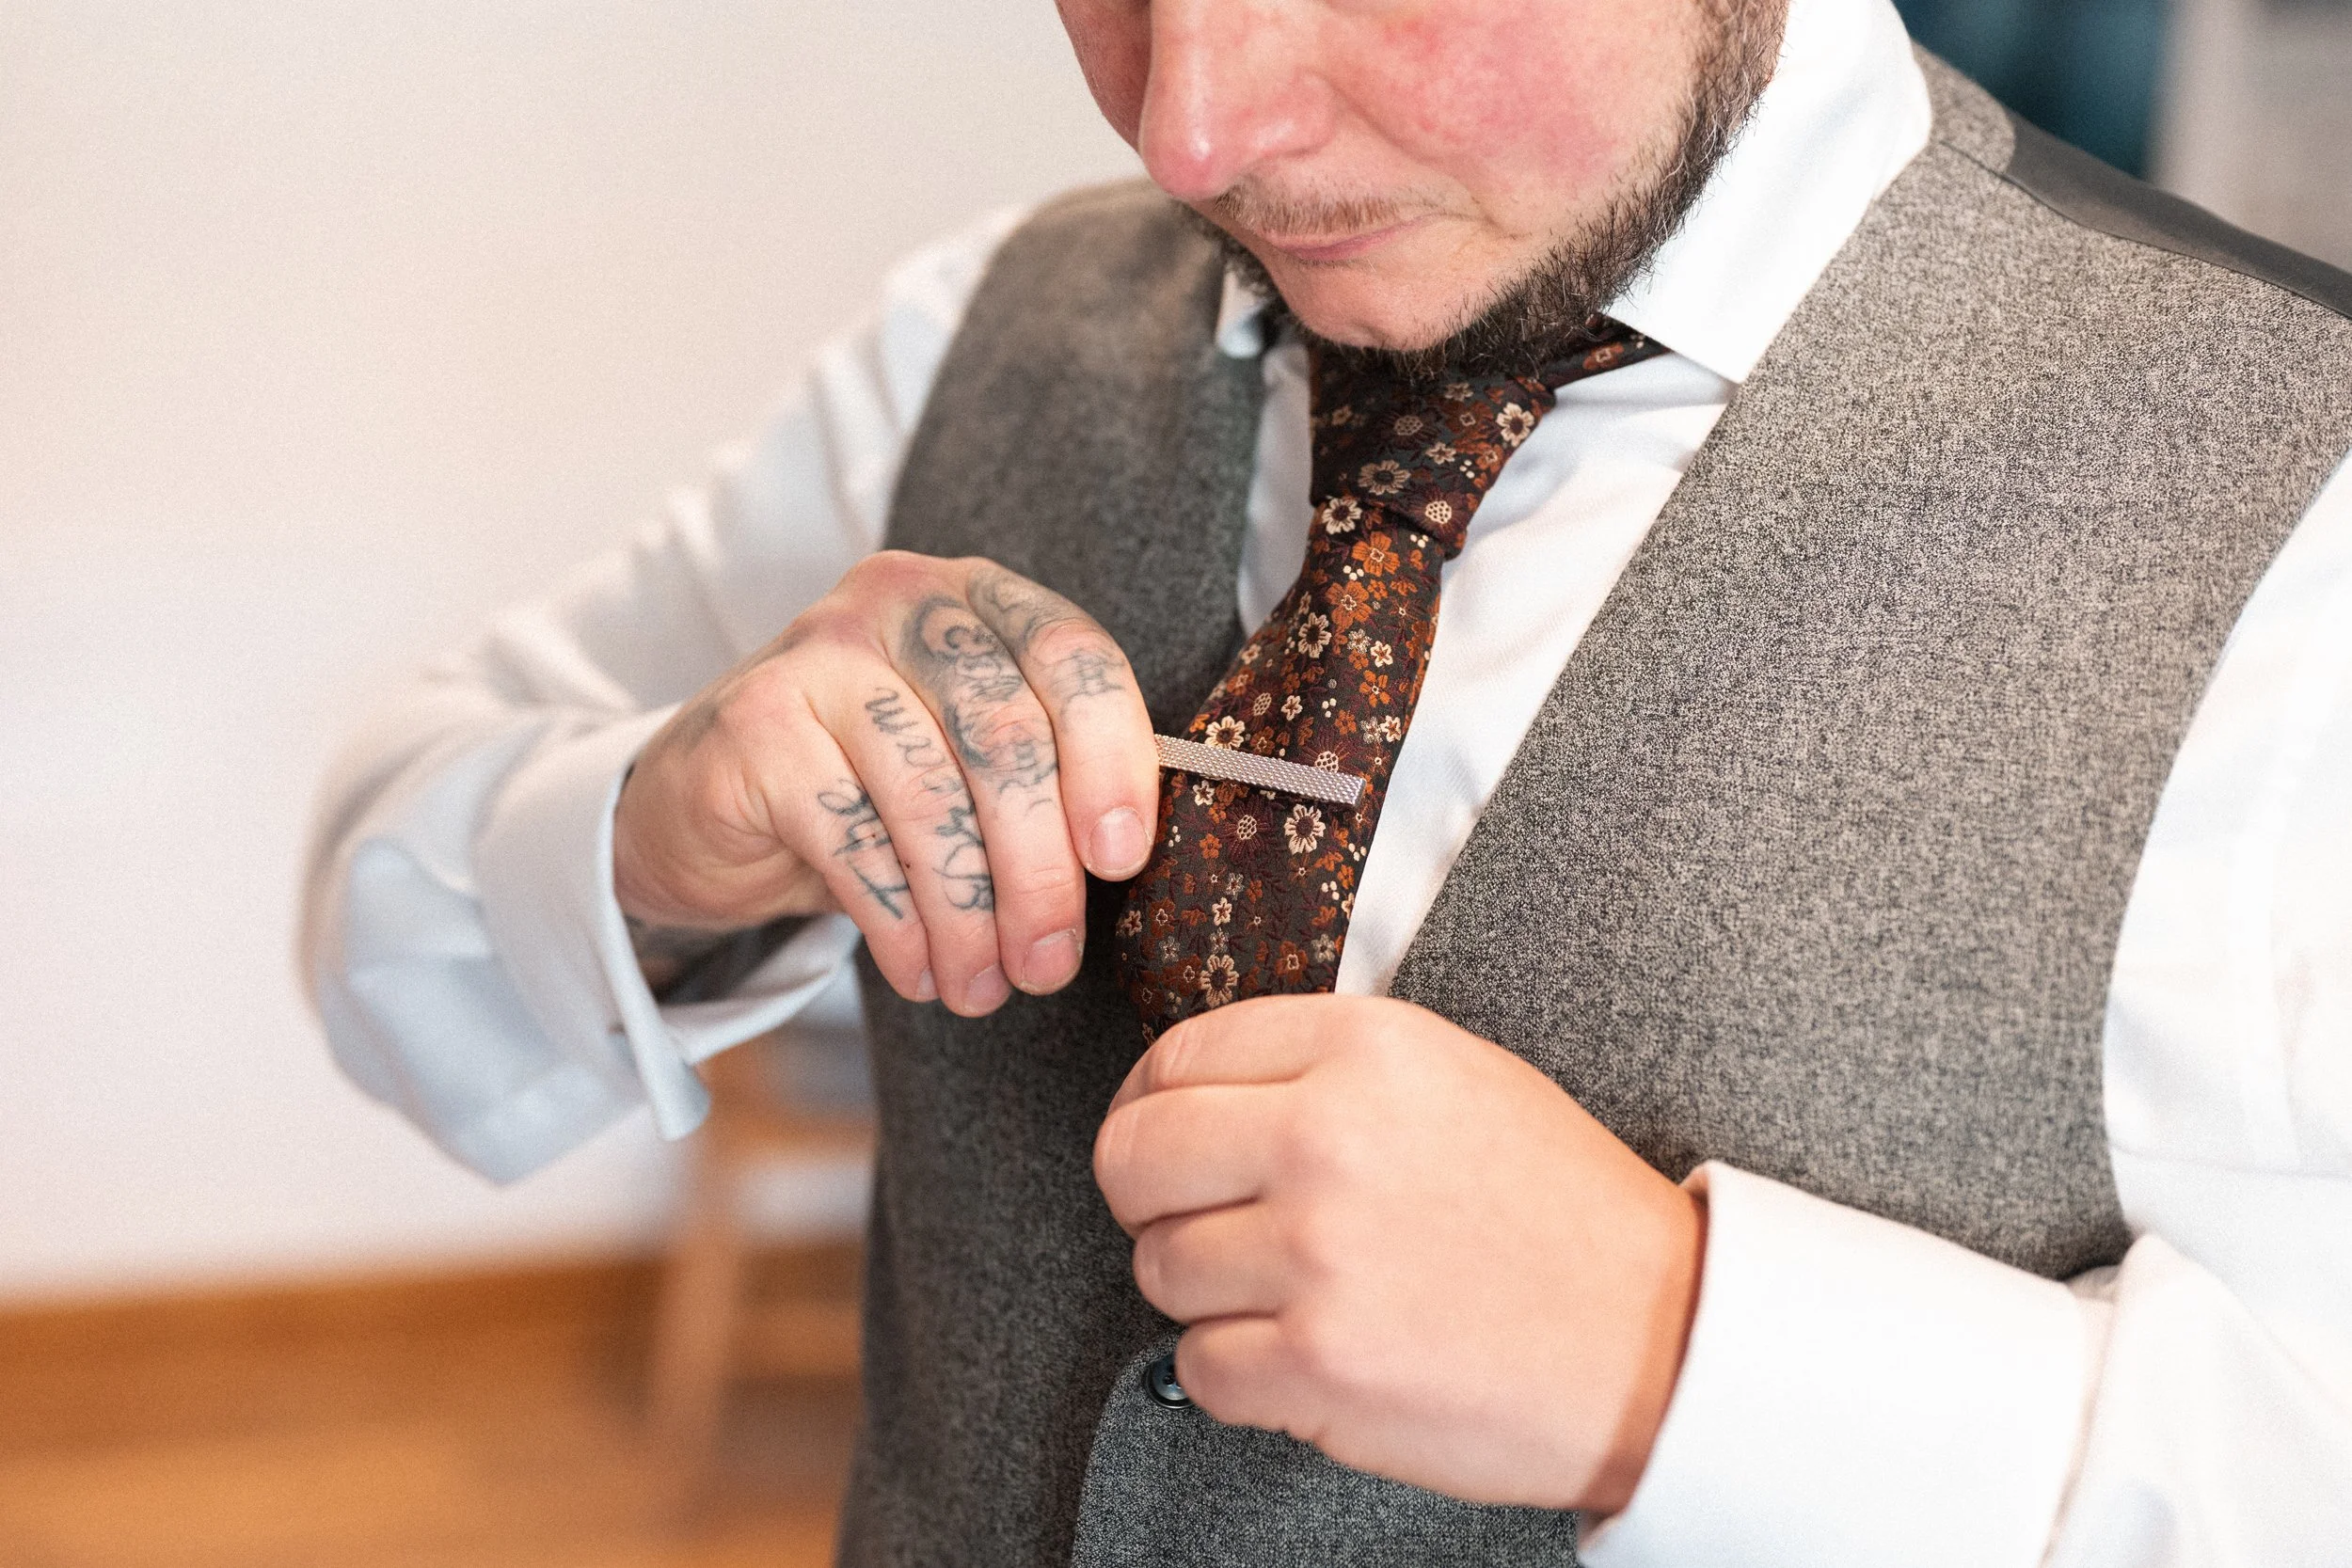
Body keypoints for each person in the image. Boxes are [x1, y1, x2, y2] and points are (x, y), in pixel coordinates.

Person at [299, 0, 2352, 1560]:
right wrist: (662, 824)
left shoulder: (2304, 507)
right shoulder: (979, 332)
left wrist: (1674, 1356)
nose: (1195, 123)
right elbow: (395, 931)